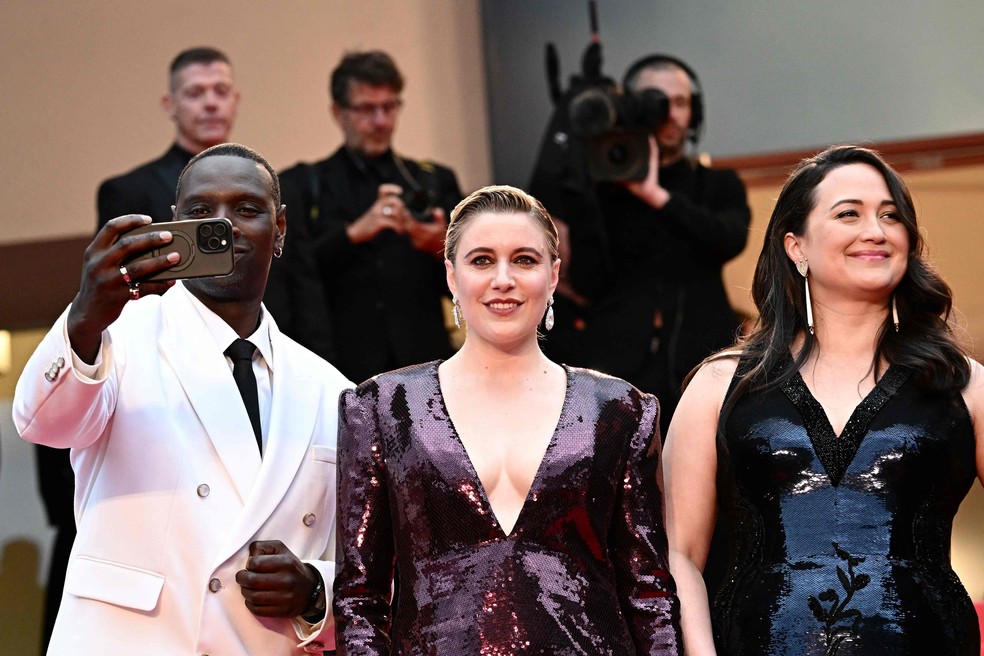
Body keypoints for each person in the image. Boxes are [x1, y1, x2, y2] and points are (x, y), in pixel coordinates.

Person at [14, 143, 351, 655]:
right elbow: (43, 423)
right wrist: (85, 312)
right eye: (200, 213)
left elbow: (364, 562)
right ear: (174, 224)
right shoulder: (114, 339)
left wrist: (314, 591)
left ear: (279, 229)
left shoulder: (333, 389)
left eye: (245, 209)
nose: (224, 225)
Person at [333, 185, 682, 654]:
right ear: (451, 276)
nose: (503, 279)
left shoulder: (619, 411)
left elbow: (650, 594)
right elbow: (360, 599)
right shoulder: (382, 407)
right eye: (481, 260)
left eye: (524, 259)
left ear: (553, 275)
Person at [664, 145, 984, 654]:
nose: (875, 230)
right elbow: (679, 555)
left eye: (891, 215)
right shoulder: (720, 385)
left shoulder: (963, 384)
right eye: (848, 214)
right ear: (797, 248)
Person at [536, 54, 751, 436]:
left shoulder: (718, 185)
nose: (669, 113)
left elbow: (728, 239)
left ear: (695, 111)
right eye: (656, 100)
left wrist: (655, 195)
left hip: (705, 362)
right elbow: (588, 281)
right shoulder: (604, 192)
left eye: (681, 102)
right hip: (616, 367)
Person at [270, 50, 462, 383]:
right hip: (342, 368)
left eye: (389, 107)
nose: (381, 121)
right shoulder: (305, 186)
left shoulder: (432, 180)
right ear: (337, 112)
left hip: (427, 365)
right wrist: (351, 235)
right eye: (366, 109)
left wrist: (440, 245)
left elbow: (470, 281)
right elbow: (293, 279)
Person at [96, 47, 240, 229]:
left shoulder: (264, 186)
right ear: (170, 105)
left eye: (221, 91)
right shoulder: (129, 193)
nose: (211, 103)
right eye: (194, 93)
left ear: (236, 101)